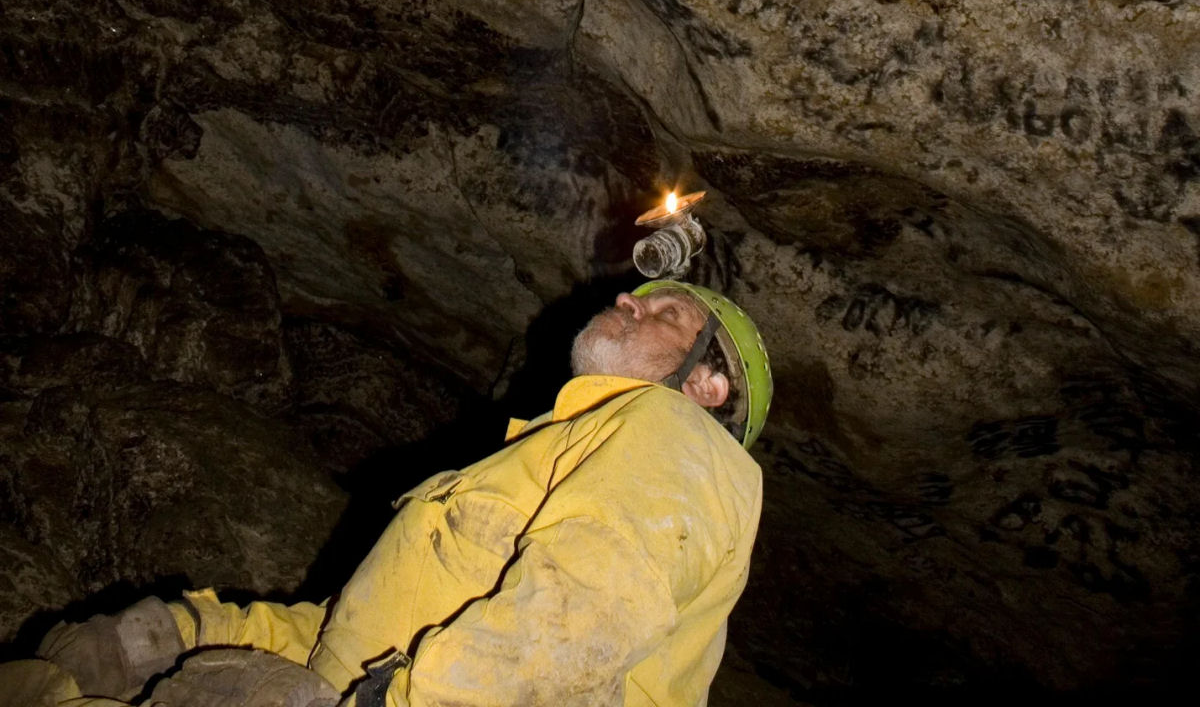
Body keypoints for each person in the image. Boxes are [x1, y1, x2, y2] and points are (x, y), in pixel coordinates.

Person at [13, 281, 772, 707]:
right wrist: (178, 630)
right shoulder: (544, 456)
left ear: (707, 386)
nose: (630, 301)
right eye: (638, 294)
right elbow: (346, 636)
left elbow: (577, 625)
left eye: (667, 313)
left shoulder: (680, 439)